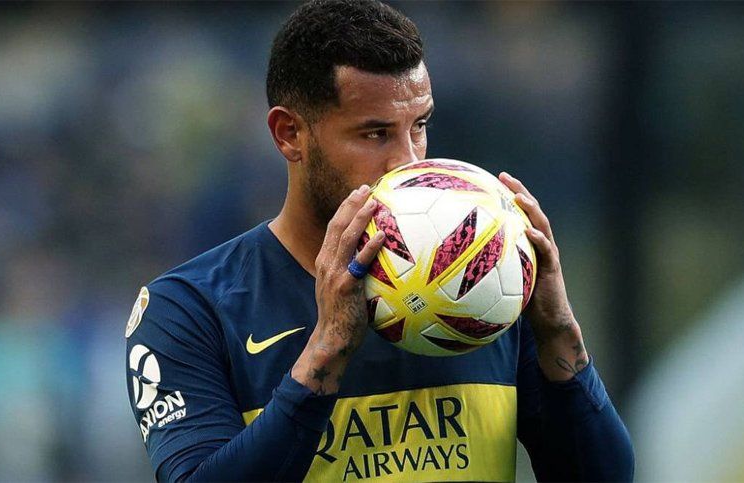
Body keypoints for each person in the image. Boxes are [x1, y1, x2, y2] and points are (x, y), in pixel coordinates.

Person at [125, 0, 634, 481]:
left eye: (419, 126)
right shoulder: (189, 310)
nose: (409, 162)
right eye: (375, 134)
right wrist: (325, 354)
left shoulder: (479, 281)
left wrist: (559, 332)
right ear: (289, 134)